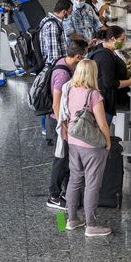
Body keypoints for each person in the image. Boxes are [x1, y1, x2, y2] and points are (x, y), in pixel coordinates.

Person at [62, 59, 113, 237]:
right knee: (92, 184)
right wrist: (108, 142)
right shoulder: (94, 95)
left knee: (75, 179)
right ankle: (91, 225)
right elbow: (102, 124)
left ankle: (71, 220)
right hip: (91, 145)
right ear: (93, 73)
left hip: (73, 140)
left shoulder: (70, 89)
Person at [45, 40, 86, 210]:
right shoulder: (63, 75)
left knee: (65, 158)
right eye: (83, 56)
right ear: (77, 56)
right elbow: (56, 103)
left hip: (61, 120)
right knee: (61, 158)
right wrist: (62, 126)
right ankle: (53, 196)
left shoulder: (63, 61)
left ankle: (61, 191)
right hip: (58, 120)